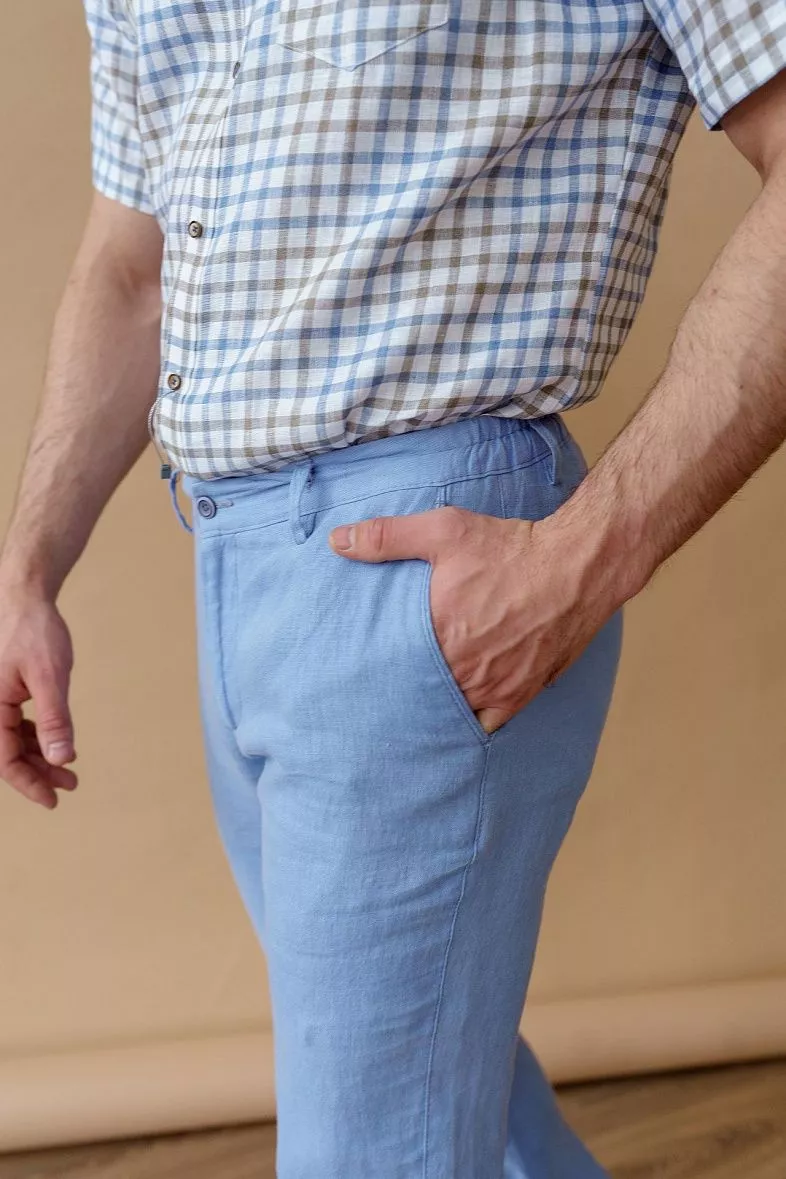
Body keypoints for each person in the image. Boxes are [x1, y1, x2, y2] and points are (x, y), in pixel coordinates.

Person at [1, 1, 785, 1174]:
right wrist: (27, 567)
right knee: (454, 1102)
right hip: (231, 558)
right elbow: (132, 263)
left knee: (380, 1144)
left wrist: (583, 558)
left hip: (421, 563)